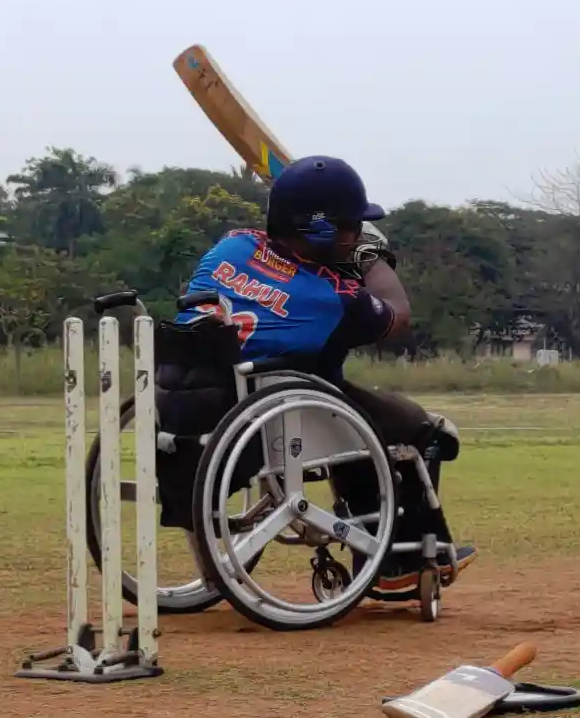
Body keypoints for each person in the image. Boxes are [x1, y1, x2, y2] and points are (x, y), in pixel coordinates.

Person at [172, 155, 477, 590]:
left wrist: (337, 250)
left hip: (196, 406)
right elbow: (398, 316)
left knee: (351, 414)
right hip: (287, 415)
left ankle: (381, 548)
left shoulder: (231, 246)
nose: (357, 231)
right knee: (421, 428)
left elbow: (287, 269)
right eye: (353, 225)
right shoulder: (337, 299)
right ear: (323, 232)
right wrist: (371, 258)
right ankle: (399, 562)